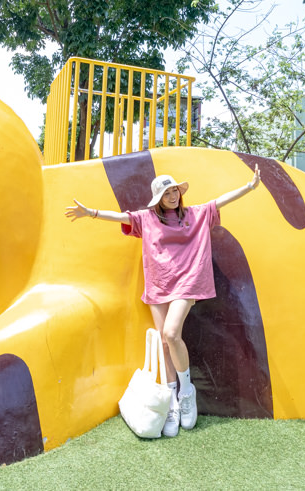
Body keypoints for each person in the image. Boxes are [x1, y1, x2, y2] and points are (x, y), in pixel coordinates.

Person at [65, 165, 261, 437]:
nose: (173, 196)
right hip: (158, 285)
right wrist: (92, 213)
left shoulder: (195, 214)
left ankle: (186, 391)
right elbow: (121, 216)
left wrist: (249, 187)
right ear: (158, 198)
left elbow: (220, 200)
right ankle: (171, 400)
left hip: (187, 282)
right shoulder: (147, 218)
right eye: (167, 192)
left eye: (175, 191)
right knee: (165, 343)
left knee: (171, 333)